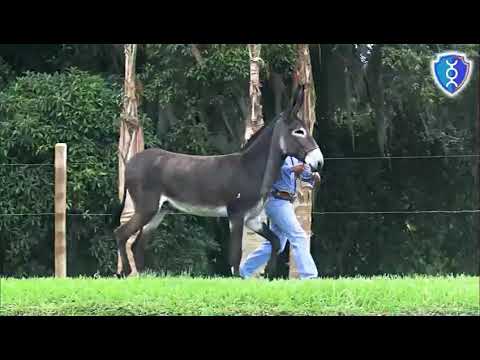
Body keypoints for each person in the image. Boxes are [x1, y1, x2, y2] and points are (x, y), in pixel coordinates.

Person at [240, 155, 321, 280]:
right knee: (298, 236)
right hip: (275, 200)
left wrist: (311, 176)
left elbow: (304, 176)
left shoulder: (296, 156)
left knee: (277, 244)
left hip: (286, 202)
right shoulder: (275, 152)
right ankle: (310, 276)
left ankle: (245, 269)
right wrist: (292, 169)